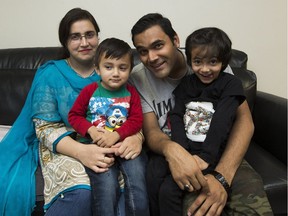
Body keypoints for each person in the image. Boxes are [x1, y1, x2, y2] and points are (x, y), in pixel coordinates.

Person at [0, 8, 144, 216]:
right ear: (65, 42)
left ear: (97, 36)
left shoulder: (113, 70)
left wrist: (137, 138)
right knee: (82, 192)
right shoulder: (51, 74)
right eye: (75, 37)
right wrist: (83, 152)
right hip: (66, 144)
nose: (84, 43)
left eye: (89, 35)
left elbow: (132, 113)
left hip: (112, 142)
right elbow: (45, 128)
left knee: (127, 191)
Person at [129, 13, 273, 216]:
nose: (151, 57)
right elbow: (151, 132)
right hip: (177, 154)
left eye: (158, 45)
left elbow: (244, 122)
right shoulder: (138, 78)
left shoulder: (209, 59)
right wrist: (174, 152)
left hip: (219, 149)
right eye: (143, 51)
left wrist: (222, 176)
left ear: (176, 41)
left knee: (252, 201)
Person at [156, 27, 246, 215]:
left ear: (223, 62)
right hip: (188, 154)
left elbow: (221, 121)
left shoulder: (231, 84)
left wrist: (206, 157)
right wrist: (183, 154)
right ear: (190, 61)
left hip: (216, 154)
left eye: (212, 62)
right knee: (166, 191)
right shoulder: (186, 84)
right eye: (198, 62)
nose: (205, 69)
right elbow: (175, 116)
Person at [68, 37, 149, 216]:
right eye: (108, 67)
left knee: (138, 179)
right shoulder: (89, 91)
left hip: (124, 146)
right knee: (106, 186)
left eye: (122, 67)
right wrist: (90, 130)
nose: (115, 73)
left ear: (130, 69)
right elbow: (74, 116)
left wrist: (117, 135)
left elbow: (136, 120)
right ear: (97, 68)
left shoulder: (131, 92)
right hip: (96, 148)